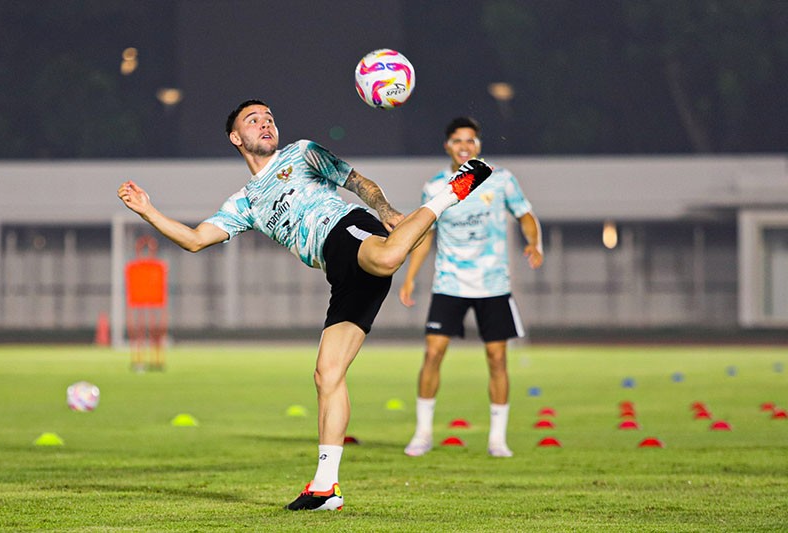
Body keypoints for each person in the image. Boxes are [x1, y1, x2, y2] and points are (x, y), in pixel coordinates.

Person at [117, 100, 493, 511]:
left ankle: (451, 192)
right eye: (253, 120)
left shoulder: (302, 152)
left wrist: (382, 208)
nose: (265, 124)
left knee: (387, 258)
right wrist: (149, 211)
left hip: (347, 230)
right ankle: (325, 487)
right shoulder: (244, 203)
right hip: (338, 270)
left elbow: (357, 181)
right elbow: (194, 240)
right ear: (236, 137)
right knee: (326, 374)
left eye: (269, 118)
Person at [399, 116, 543, 458]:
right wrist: (409, 278)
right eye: (458, 141)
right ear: (447, 145)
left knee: (497, 359)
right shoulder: (435, 187)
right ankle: (422, 434)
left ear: (478, 145)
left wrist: (534, 243)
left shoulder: (501, 179)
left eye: (471, 141)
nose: (465, 146)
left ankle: (497, 439)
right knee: (433, 354)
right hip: (449, 283)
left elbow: (525, 214)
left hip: (493, 285)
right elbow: (424, 236)